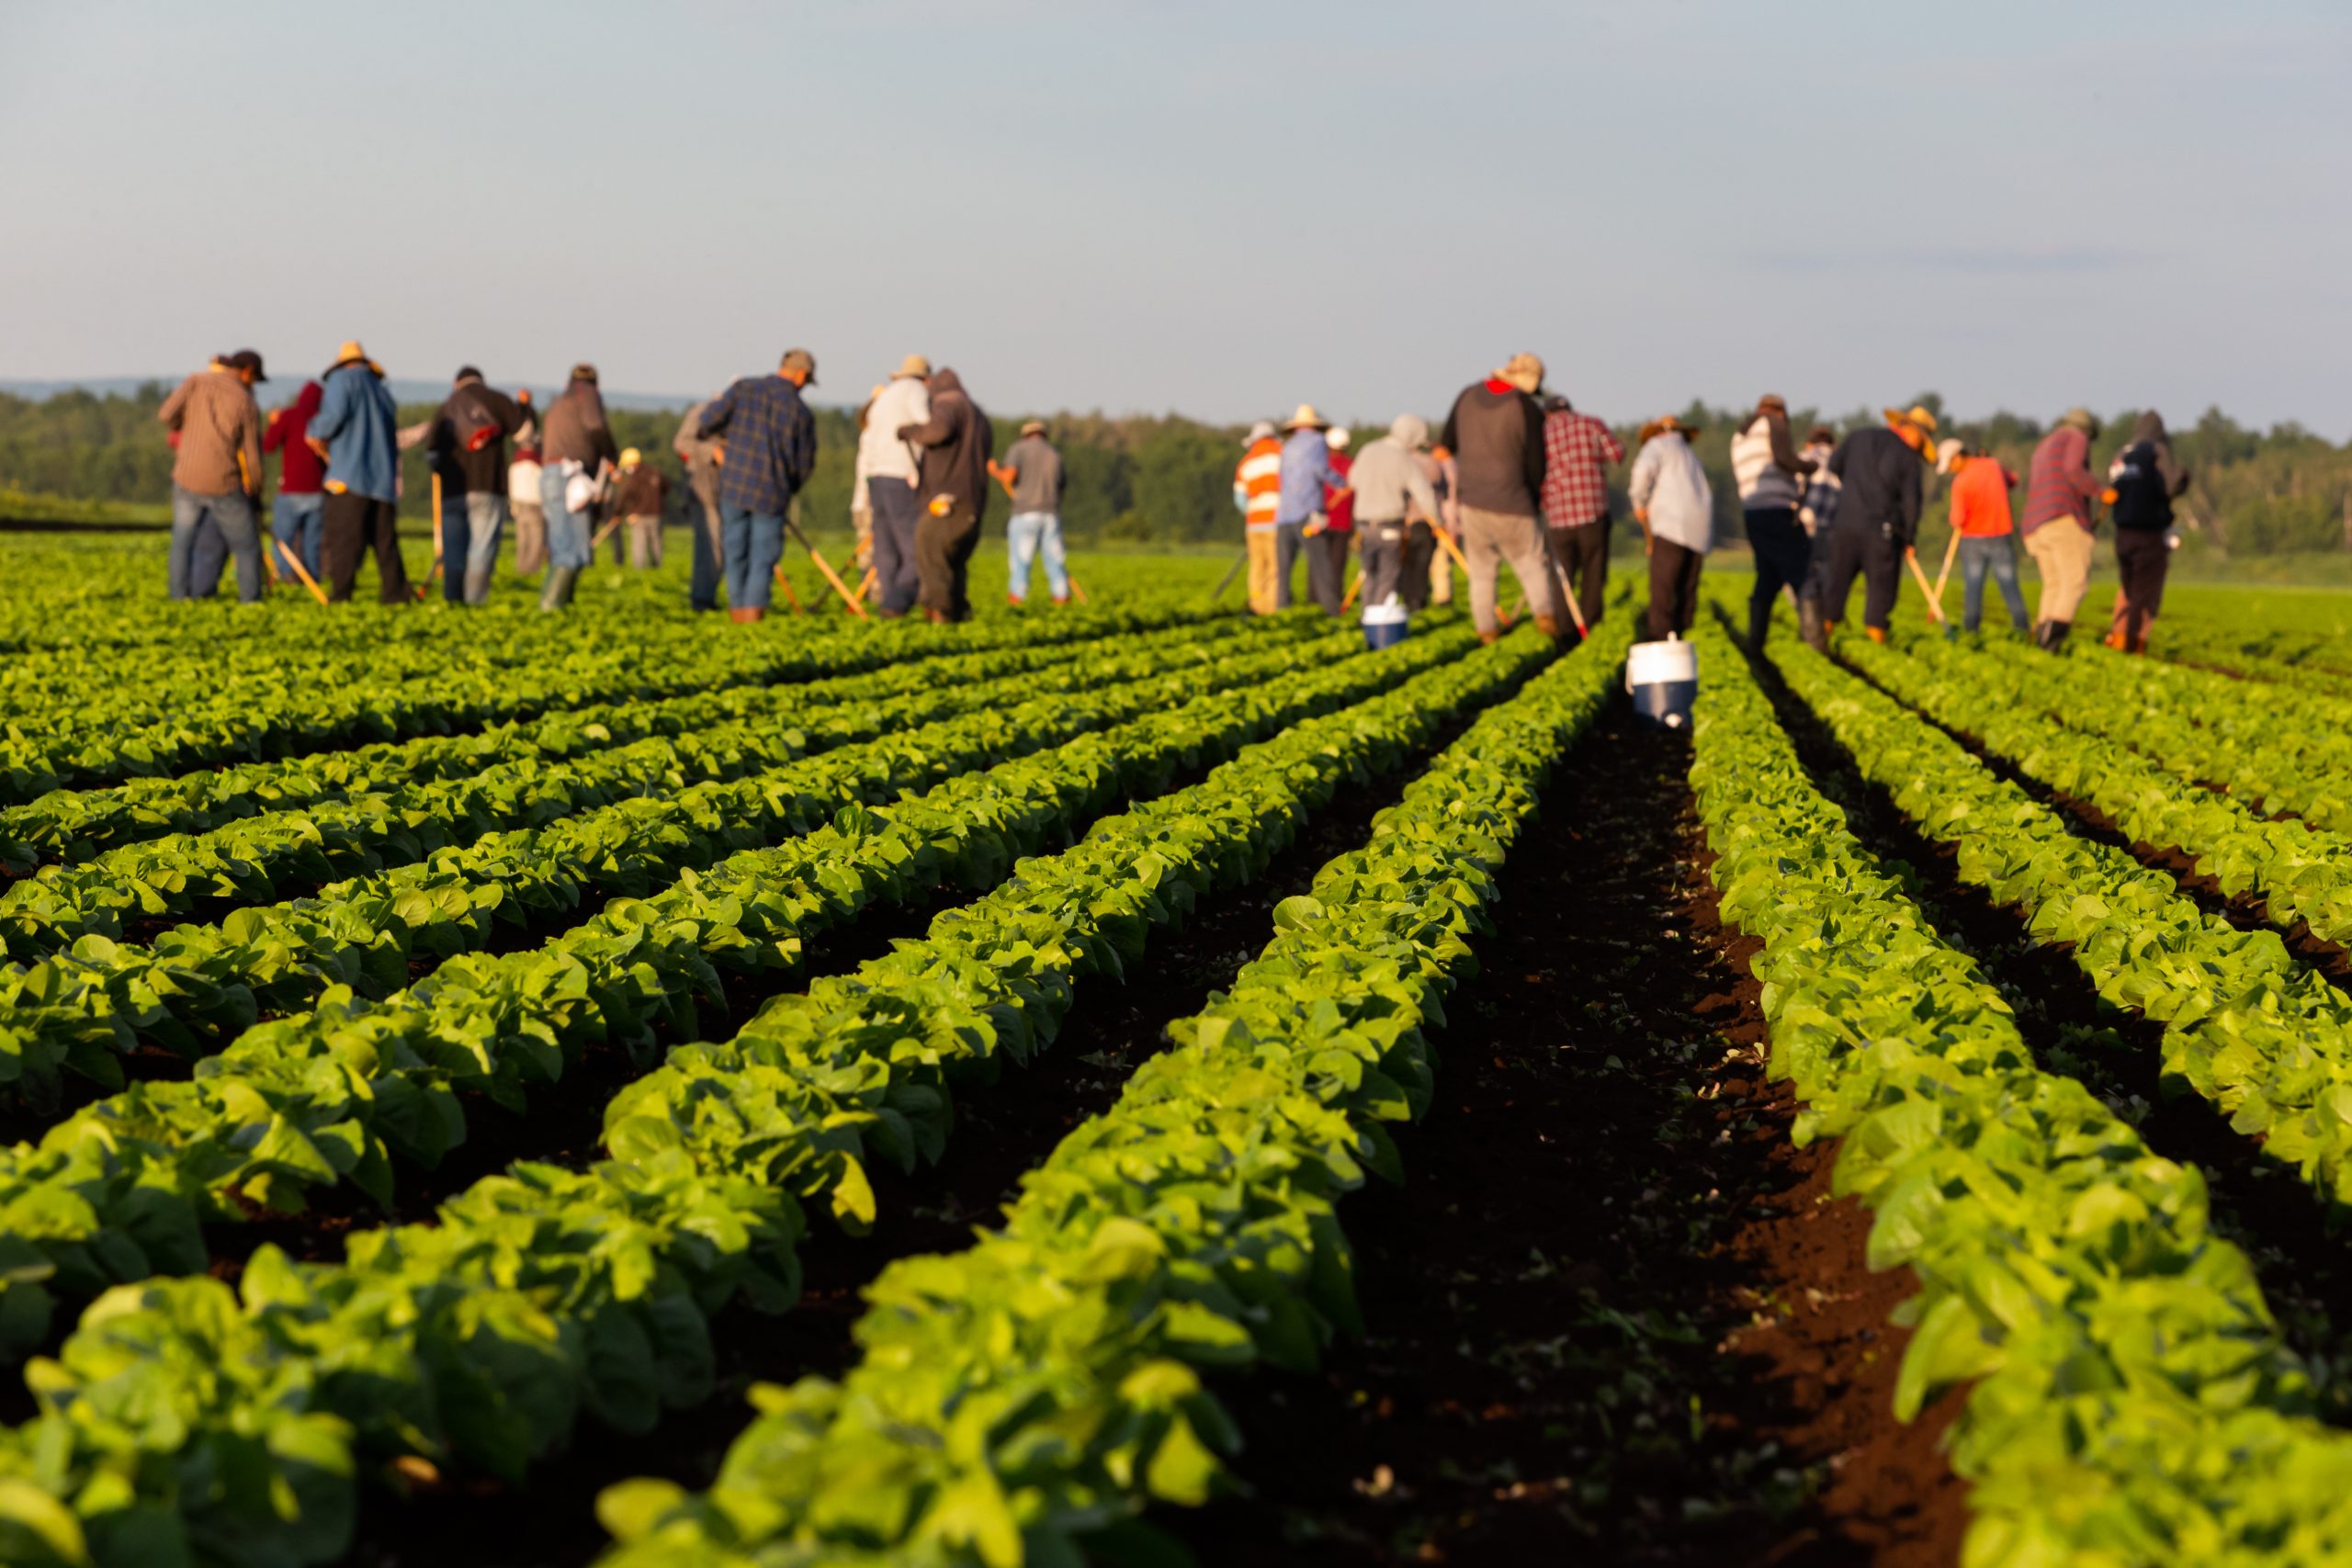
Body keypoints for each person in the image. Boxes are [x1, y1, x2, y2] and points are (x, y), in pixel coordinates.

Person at [1440, 353, 1564, 642]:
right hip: (1515, 502)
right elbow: (1537, 463)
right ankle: (1545, 623)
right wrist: (1533, 500)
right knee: (1531, 565)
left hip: (1472, 503)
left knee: (1482, 574)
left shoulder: (1466, 397)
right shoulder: (1525, 407)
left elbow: (1447, 444)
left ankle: (1486, 633)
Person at [698, 348, 820, 624]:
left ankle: (737, 613)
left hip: (734, 485)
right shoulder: (801, 412)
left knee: (735, 551)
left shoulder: (744, 389)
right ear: (801, 375)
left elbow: (706, 422)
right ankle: (752, 616)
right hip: (772, 492)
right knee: (762, 557)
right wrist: (790, 487)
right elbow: (804, 463)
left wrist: (723, 441)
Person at [157, 350, 267, 603]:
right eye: (255, 379)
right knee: (247, 547)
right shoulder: (244, 400)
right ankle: (251, 602)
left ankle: (178, 599)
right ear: (247, 371)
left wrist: (189, 424)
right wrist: (256, 488)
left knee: (182, 543)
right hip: (224, 483)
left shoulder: (195, 382)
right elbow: (251, 454)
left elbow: (165, 415)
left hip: (186, 477)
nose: (253, 385)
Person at [309, 341, 412, 604]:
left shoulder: (341, 381)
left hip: (348, 477)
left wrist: (314, 432)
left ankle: (342, 595)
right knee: (385, 542)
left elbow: (332, 417)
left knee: (345, 540)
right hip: (382, 481)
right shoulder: (382, 391)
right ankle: (396, 594)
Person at [1821, 404, 1935, 642]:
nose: (1919, 448)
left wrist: (1853, 490)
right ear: (1913, 432)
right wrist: (1908, 539)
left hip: (1844, 525)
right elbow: (1912, 503)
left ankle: (1820, 643)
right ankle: (1876, 642)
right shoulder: (1908, 458)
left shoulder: (1858, 437)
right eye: (1922, 442)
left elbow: (1834, 466)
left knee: (1835, 586)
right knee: (1880, 595)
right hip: (1882, 534)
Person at [896, 366, 992, 624]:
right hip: (973, 504)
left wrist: (911, 431)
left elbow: (938, 431)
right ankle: (958, 614)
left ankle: (940, 614)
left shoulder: (948, 404)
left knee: (929, 548)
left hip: (948, 500)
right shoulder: (978, 414)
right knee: (953, 563)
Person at [425, 367, 527, 604]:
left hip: (452, 491)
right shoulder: (497, 400)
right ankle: (474, 601)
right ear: (482, 380)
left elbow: (432, 453)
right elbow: (524, 433)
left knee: (453, 550)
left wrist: (442, 472)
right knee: (482, 548)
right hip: (487, 485)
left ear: (456, 382)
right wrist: (524, 406)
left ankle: (453, 600)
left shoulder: (446, 407)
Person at [1729, 393, 1818, 649]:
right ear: (1781, 412)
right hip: (1778, 511)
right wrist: (1808, 466)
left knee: (1767, 577)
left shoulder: (1740, 435)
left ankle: (1755, 645)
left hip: (1752, 513)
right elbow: (1785, 458)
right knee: (1804, 573)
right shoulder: (1773, 422)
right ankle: (1816, 645)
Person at [1538, 391, 1625, 637]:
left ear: (1547, 413)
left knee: (1562, 579)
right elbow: (1617, 454)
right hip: (1593, 514)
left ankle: (1565, 634)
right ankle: (1590, 629)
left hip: (1558, 517)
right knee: (1593, 574)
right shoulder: (1592, 424)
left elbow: (1534, 469)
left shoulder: (1542, 433)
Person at [2104, 412, 2191, 653]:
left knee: (2128, 588)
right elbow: (2170, 485)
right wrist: (2183, 478)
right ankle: (2134, 642)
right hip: (2149, 534)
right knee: (2146, 592)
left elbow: (2111, 487)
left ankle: (2118, 636)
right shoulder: (2159, 452)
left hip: (2122, 533)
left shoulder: (2123, 453)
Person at [2019, 408, 2106, 650]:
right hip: (2062, 517)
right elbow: (2073, 470)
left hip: (2035, 524)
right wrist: (2100, 492)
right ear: (2087, 431)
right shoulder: (2076, 438)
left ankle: (2040, 639)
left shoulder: (2045, 444)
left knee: (2054, 584)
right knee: (2075, 583)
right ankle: (2051, 643)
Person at [537, 363, 617, 610]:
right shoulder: (587, 394)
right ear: (597, 383)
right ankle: (551, 608)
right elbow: (595, 426)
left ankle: (559, 605)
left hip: (550, 474)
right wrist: (611, 455)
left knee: (561, 544)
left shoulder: (560, 402)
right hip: (570, 479)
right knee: (574, 548)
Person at [1348, 414, 1444, 618]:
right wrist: (1436, 521)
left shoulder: (1368, 450)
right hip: (1389, 524)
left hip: (1363, 525)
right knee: (1387, 575)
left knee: (1370, 573)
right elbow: (1424, 493)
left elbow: (1353, 480)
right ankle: (1379, 621)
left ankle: (1366, 615)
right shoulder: (1402, 458)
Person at [860, 355, 933, 616]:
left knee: (885, 547)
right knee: (914, 548)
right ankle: (897, 602)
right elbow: (926, 428)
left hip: (876, 477)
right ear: (926, 379)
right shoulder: (916, 392)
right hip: (901, 475)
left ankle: (888, 603)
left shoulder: (886, 396)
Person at [1630, 416, 1713, 640]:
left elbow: (1641, 473)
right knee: (1687, 591)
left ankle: (1661, 641)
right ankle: (1682, 638)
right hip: (1699, 528)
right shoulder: (1689, 454)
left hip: (1671, 526)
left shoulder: (1657, 446)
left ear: (1655, 432)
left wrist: (1639, 502)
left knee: (1663, 592)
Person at [1937, 438, 2028, 636]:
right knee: (2009, 582)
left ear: (1959, 456)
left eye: (1951, 464)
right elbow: (2013, 480)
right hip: (2000, 535)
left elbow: (1957, 519)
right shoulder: (1993, 466)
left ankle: (1971, 630)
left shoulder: (1961, 482)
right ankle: (2022, 627)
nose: (1951, 469)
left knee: (1973, 585)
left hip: (1972, 540)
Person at [1273, 404, 1345, 611]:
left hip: (1284, 514)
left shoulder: (1287, 446)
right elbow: (1319, 469)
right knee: (1321, 563)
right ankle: (1332, 610)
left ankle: (1282, 608)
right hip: (1309, 512)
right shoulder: (1318, 442)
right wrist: (1340, 483)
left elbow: (1282, 479)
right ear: (1314, 426)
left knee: (1284, 568)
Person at [991, 418, 1069, 605]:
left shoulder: (1019, 449)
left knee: (1021, 561)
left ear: (1025, 435)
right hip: (1051, 514)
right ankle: (1062, 599)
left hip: (1025, 514)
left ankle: (1017, 602)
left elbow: (1009, 477)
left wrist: (994, 471)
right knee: (1055, 561)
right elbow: (1062, 488)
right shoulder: (1054, 454)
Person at [261, 376, 326, 584]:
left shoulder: (289, 416)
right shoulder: (324, 420)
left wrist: (274, 423)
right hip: (318, 492)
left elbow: (269, 445)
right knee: (312, 542)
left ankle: (286, 576)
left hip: (291, 490)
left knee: (283, 539)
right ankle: (312, 578)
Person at [672, 393, 725, 610]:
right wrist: (713, 451)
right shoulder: (703, 411)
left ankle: (709, 598)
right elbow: (681, 443)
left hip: (728, 490)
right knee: (709, 546)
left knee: (722, 548)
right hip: (704, 489)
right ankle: (702, 600)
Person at [1795, 425, 1841, 647]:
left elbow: (1793, 490)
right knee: (1828, 579)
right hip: (1837, 531)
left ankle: (1813, 639)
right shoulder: (1842, 460)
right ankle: (1823, 633)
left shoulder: (1804, 457)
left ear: (1810, 443)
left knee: (1807, 580)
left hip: (1806, 529)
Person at [1234, 420, 1283, 614]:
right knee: (1274, 566)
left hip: (1253, 524)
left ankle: (1256, 605)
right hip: (1276, 521)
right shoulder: (1282, 456)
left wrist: (1252, 512)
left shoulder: (1245, 463)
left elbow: (1239, 500)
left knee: (1256, 566)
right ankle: (1271, 608)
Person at [1311, 425, 1354, 615]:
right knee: (1337, 564)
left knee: (1318, 562)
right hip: (1343, 522)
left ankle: (1313, 600)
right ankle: (1334, 602)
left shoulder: (1319, 463)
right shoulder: (1352, 465)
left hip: (1320, 520)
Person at [610, 447, 673, 569]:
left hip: (638, 515)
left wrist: (617, 513)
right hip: (656, 513)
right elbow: (667, 487)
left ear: (631, 464)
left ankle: (640, 572)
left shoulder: (633, 478)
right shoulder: (656, 472)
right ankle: (657, 568)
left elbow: (624, 496)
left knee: (639, 545)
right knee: (656, 544)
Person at [851, 384, 884, 573]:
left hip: (863, 503)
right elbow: (867, 473)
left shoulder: (868, 433)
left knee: (869, 554)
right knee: (871, 554)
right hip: (868, 503)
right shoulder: (872, 435)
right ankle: (872, 594)